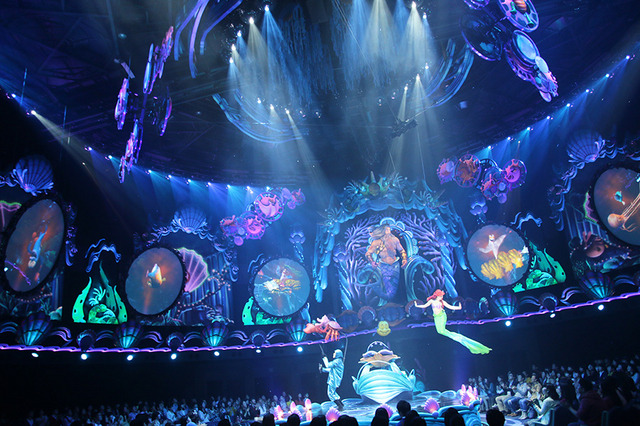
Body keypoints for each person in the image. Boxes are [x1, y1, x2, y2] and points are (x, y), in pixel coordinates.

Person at [414, 289, 491, 354]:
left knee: (442, 331)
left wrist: (458, 307)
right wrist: (417, 306)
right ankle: (456, 336)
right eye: (440, 296)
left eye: (442, 296)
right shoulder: (432, 301)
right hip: (436, 317)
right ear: (437, 295)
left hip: (442, 316)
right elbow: (424, 306)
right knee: (440, 331)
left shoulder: (442, 302)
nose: (442, 297)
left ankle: (459, 338)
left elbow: (450, 307)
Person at [365, 225, 407, 301]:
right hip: (384, 266)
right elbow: (368, 253)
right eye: (387, 230)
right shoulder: (376, 242)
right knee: (388, 290)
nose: (388, 232)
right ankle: (377, 289)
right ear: (382, 231)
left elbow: (402, 250)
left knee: (394, 286)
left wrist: (404, 259)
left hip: (395, 265)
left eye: (389, 230)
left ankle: (395, 300)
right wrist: (372, 262)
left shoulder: (395, 240)